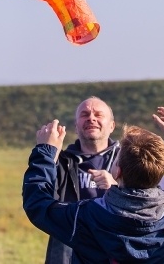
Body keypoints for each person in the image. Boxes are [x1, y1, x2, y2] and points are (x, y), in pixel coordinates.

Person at [23, 106, 164, 263]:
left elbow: (38, 205)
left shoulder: (86, 216)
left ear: (117, 172)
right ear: (161, 171)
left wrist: (45, 152)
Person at [45, 96, 120, 264]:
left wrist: (116, 187)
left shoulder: (127, 160)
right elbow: (40, 200)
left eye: (98, 115)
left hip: (114, 251)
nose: (91, 118)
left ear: (112, 126)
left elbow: (144, 201)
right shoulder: (62, 161)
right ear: (76, 126)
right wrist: (49, 157)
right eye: (84, 114)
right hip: (68, 252)